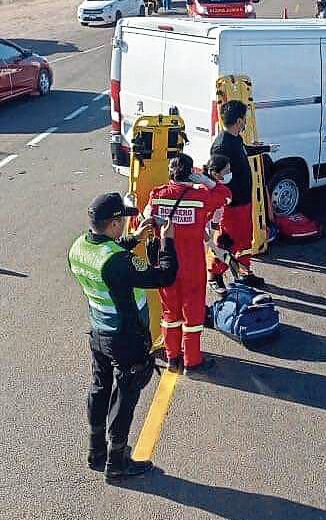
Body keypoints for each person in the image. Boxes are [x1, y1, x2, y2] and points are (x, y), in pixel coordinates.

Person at [68, 192, 178, 482]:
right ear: (115, 223)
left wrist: (134, 239)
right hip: (124, 337)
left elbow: (108, 258)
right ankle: (117, 463)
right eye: (124, 221)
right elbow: (165, 276)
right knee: (125, 396)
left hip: (99, 332)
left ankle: (97, 452)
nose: (126, 224)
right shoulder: (117, 262)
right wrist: (167, 239)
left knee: (99, 388)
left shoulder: (78, 247)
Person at [147, 153, 231, 376]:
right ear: (190, 173)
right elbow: (226, 195)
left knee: (169, 313)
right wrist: (205, 180)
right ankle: (192, 361)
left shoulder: (157, 195)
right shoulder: (201, 197)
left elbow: (143, 221)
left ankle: (173, 359)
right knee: (192, 315)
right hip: (192, 266)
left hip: (166, 264)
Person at [209, 100, 277, 290]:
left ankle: (244, 272)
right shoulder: (221, 146)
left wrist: (265, 149)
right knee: (228, 242)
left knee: (245, 240)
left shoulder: (235, 138)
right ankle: (215, 274)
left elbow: (245, 150)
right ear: (239, 121)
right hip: (231, 206)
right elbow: (215, 176)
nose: (245, 122)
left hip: (244, 202)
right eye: (244, 119)